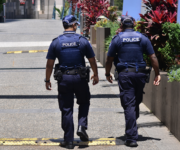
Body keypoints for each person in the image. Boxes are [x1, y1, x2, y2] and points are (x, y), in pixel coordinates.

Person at [105, 15, 161, 147]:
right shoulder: (143, 38)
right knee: (135, 102)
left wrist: (107, 73)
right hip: (140, 75)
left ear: (122, 26)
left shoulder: (117, 39)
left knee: (129, 104)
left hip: (125, 75)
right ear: (133, 25)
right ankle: (132, 128)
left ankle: (131, 138)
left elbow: (109, 59)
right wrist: (157, 73)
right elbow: (152, 56)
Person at [45, 15, 99, 149]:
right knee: (84, 102)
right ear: (74, 25)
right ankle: (82, 126)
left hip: (64, 79)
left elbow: (49, 64)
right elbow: (92, 60)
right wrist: (96, 74)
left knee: (66, 108)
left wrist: (47, 79)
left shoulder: (56, 42)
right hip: (80, 78)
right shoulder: (82, 41)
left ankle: (68, 141)